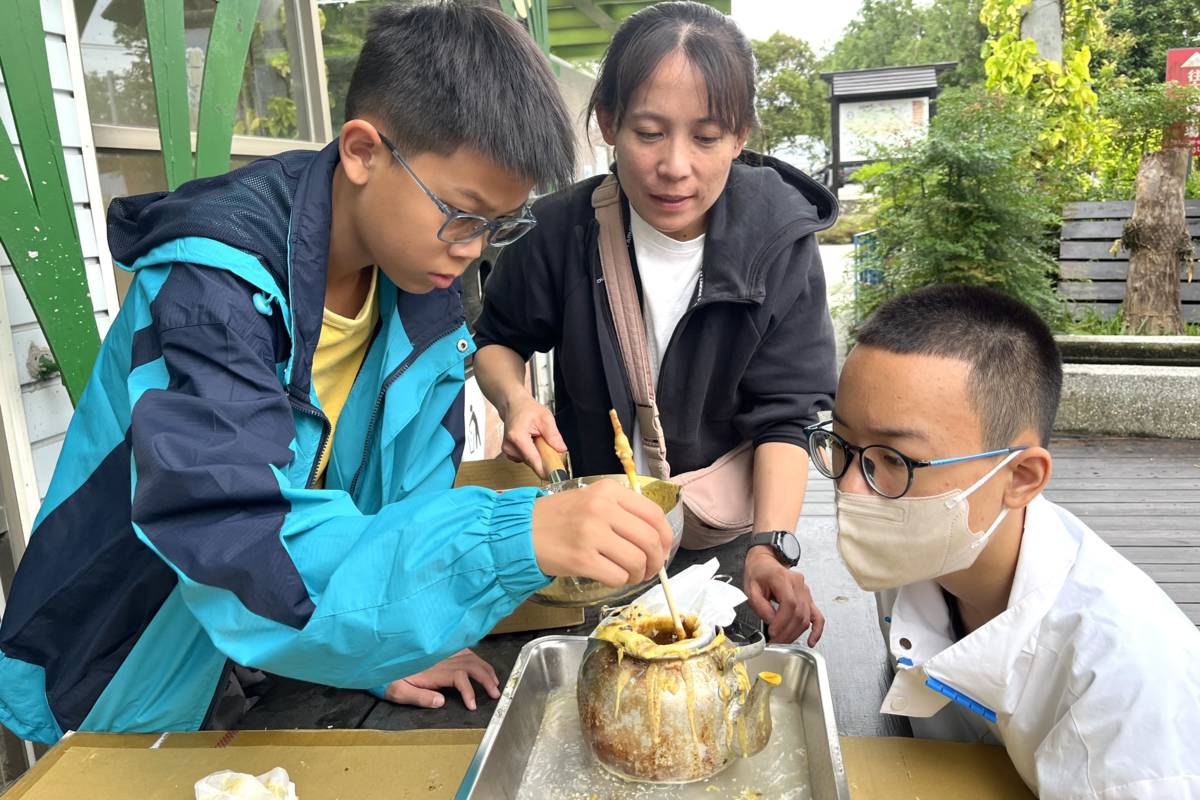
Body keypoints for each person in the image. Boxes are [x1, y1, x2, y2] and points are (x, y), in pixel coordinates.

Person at [0, 2, 673, 744]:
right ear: (362, 151)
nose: (473, 249)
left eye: (496, 226)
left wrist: (378, 640)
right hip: (132, 660)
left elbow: (405, 506)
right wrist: (511, 538)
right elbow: (238, 537)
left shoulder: (422, 296)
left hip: (296, 638)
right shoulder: (211, 294)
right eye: (463, 214)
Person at [472, 1, 837, 646]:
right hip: (597, 535)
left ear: (740, 136)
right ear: (608, 125)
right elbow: (499, 339)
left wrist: (772, 546)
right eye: (648, 132)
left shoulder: (780, 240)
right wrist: (517, 399)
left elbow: (787, 413)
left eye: (706, 137)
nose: (676, 166)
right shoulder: (559, 230)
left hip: (723, 538)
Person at [807, 285, 1200, 798]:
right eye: (841, 444)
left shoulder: (1125, 698)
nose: (850, 488)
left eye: (895, 459)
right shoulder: (927, 551)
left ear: (1020, 478)